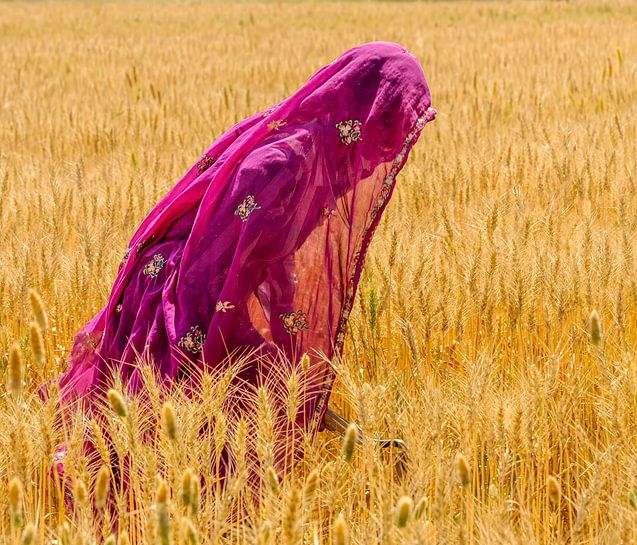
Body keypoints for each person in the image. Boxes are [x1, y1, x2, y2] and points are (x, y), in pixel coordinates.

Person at [45, 41, 436, 473]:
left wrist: (287, 361)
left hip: (205, 280)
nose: (386, 147)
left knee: (252, 393)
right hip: (178, 287)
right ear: (368, 110)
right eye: (389, 126)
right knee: (179, 448)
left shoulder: (324, 159)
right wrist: (259, 352)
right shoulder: (284, 164)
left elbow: (276, 262)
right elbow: (214, 266)